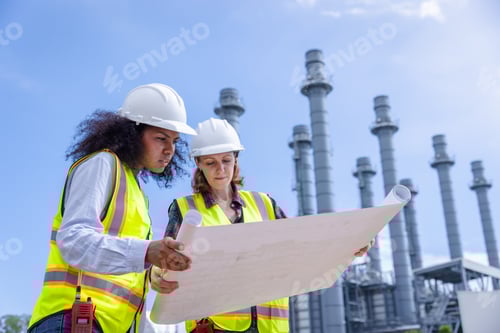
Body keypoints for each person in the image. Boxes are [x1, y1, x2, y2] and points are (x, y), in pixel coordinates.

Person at [157, 118, 373, 333]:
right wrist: (157, 274)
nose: (220, 170)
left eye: (226, 160)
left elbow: (305, 247)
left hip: (270, 327)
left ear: (236, 158)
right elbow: (164, 261)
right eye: (211, 163)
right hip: (215, 328)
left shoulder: (265, 204)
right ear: (199, 163)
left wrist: (349, 246)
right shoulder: (185, 209)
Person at [28, 83, 196, 333]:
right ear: (130, 134)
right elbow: (74, 240)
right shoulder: (103, 164)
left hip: (110, 325)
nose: (170, 149)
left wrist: (153, 276)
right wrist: (148, 252)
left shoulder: (135, 189)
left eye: (174, 141)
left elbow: (124, 263)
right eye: (161, 138)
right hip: (76, 320)